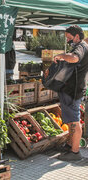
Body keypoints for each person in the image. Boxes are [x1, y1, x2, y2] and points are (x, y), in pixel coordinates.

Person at [54, 25, 88, 161]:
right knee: (71, 120)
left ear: (77, 37)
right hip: (72, 89)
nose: (68, 40)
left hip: (73, 91)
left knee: (74, 120)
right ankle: (70, 145)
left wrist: (61, 56)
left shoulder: (81, 46)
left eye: (69, 38)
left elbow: (74, 58)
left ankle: (75, 152)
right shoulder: (82, 46)